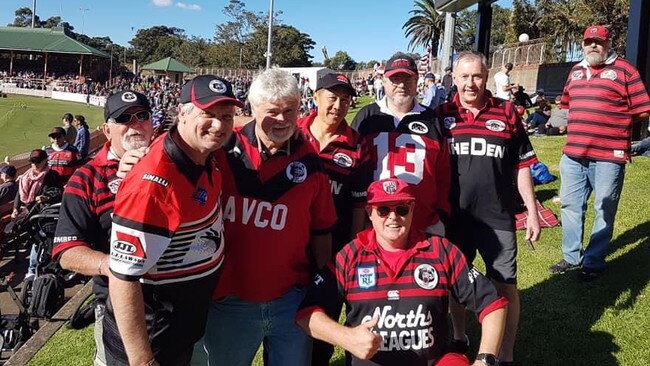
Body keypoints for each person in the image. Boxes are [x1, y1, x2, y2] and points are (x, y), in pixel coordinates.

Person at [201, 69, 337, 366]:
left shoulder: (309, 161)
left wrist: (319, 287)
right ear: (252, 109)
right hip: (229, 301)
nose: (282, 119)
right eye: (272, 111)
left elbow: (322, 229)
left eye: (290, 110)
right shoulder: (221, 151)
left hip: (291, 299)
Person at [296, 178, 508, 366]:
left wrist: (485, 359)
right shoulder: (349, 256)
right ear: (370, 213)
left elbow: (493, 304)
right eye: (383, 210)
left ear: (413, 209)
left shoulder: (440, 250)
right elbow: (306, 314)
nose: (393, 217)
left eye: (401, 209)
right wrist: (346, 338)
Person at [106, 75, 241, 366]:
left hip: (180, 330)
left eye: (226, 116)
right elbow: (123, 278)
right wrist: (142, 361)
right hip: (153, 339)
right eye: (207, 114)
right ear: (181, 112)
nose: (218, 125)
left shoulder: (205, 153)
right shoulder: (151, 185)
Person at [434, 51, 540, 366]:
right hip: (454, 218)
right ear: (453, 78)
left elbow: (522, 166)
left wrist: (532, 211)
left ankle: (505, 350)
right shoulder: (440, 115)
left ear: (486, 75)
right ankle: (459, 336)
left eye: (476, 76)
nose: (470, 83)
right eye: (464, 77)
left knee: (505, 284)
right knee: (456, 283)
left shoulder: (507, 113)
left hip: (498, 217)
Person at [52, 90, 155, 366]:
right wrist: (113, 265)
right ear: (107, 130)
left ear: (152, 122)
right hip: (117, 308)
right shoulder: (86, 177)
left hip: (180, 305)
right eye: (123, 118)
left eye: (141, 116)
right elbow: (66, 250)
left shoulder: (174, 162)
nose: (135, 124)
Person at [548, 25, 650, 281]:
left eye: (599, 42)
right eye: (588, 42)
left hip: (609, 155)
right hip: (573, 154)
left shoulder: (625, 70)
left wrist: (617, 122)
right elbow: (567, 104)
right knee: (571, 206)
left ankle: (593, 262)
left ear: (608, 44)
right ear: (583, 44)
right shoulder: (576, 70)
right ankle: (572, 257)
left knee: (604, 208)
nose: (593, 46)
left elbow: (643, 108)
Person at [297, 72, 371, 366]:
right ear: (315, 98)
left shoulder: (356, 144)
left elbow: (357, 202)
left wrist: (353, 247)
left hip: (334, 249)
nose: (338, 105)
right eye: (332, 97)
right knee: (285, 321)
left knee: (324, 319)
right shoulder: (294, 133)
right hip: (289, 244)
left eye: (344, 99)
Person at [351, 52, 451, 236]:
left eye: (408, 78)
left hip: (424, 222)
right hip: (375, 223)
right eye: (395, 79)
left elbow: (444, 173)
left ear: (417, 81)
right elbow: (352, 168)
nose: (402, 85)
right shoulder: (367, 117)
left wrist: (441, 213)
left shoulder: (432, 120)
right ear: (384, 81)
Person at [11, 149, 63, 280]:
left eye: (37, 163)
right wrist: (15, 209)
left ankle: (38, 269)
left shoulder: (52, 175)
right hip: (30, 214)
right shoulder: (26, 176)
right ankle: (33, 270)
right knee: (36, 242)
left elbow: (58, 191)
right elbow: (19, 194)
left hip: (45, 214)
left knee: (42, 241)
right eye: (32, 163)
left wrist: (46, 197)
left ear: (45, 161)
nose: (34, 165)